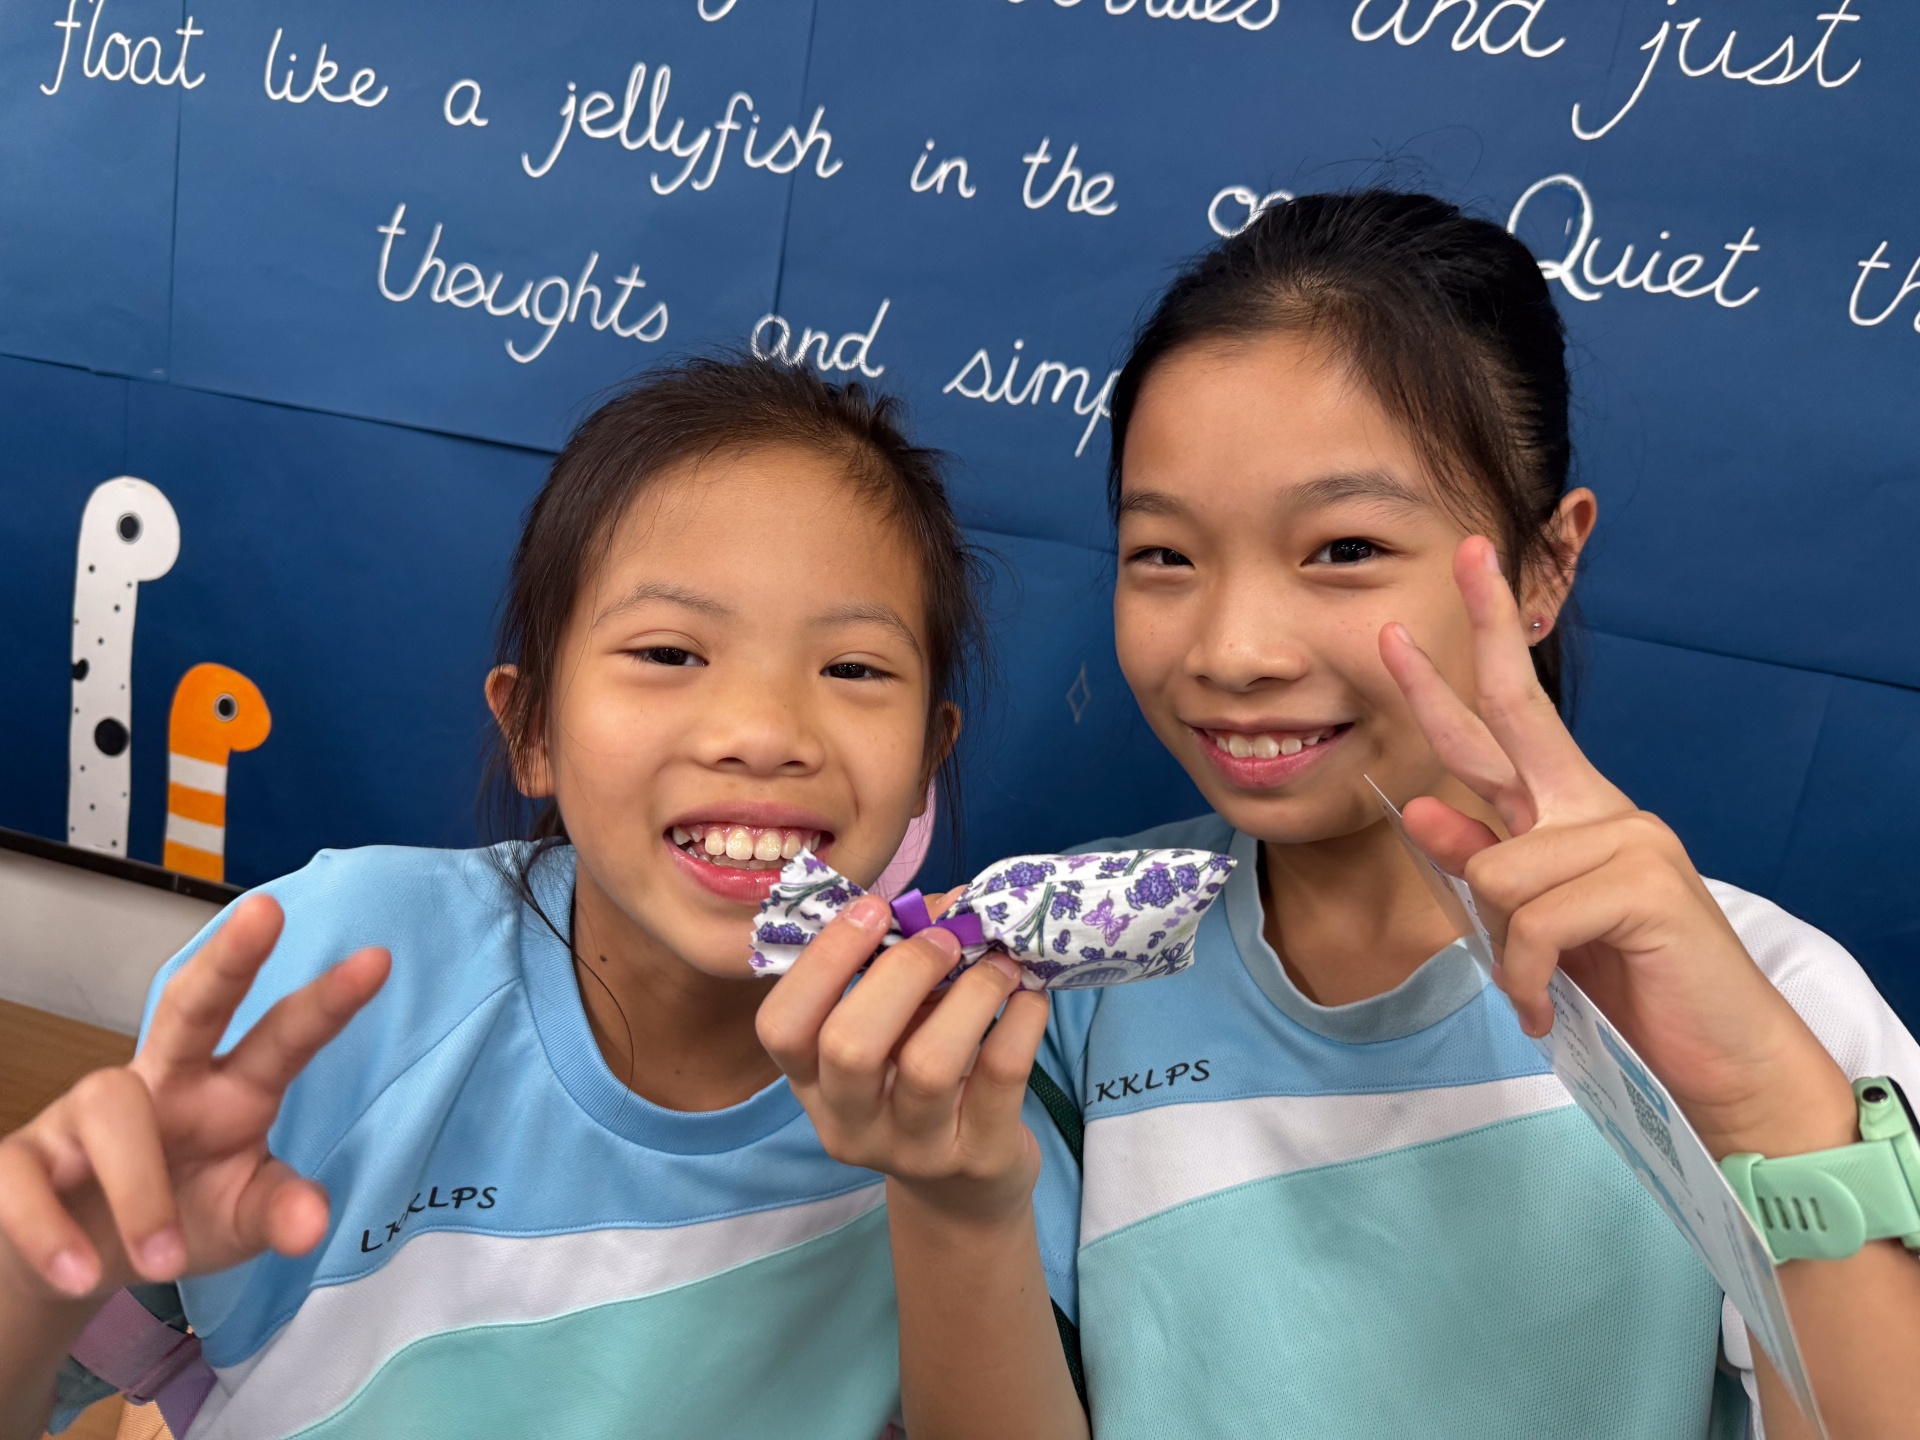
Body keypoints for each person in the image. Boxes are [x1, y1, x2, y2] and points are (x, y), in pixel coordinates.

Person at [758, 192, 1920, 1439]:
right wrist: (950, 1192)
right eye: (1164, 555)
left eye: (1345, 549)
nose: (1234, 648)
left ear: (1545, 564)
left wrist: (1759, 1115)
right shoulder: (1058, 983)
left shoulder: (1768, 1000)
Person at [0, 357, 1026, 1440]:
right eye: (669, 651)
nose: (765, 733)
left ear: (930, 757)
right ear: (533, 726)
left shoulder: (961, 1103)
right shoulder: (333, 978)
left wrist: (959, 1203)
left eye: (854, 668)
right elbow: (113, 1398)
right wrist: (34, 1277)